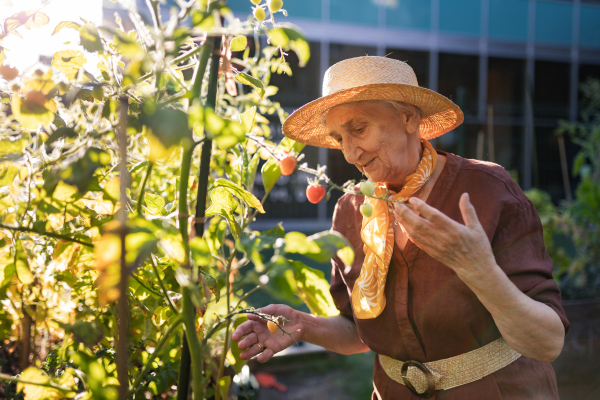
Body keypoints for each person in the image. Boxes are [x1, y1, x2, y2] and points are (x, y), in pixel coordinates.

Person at [232, 56, 569, 399]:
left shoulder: (486, 190)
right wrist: (303, 325)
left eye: (359, 129)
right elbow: (359, 330)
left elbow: (548, 342)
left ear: (408, 118)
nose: (349, 153)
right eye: (339, 138)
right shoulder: (352, 210)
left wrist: (480, 271)